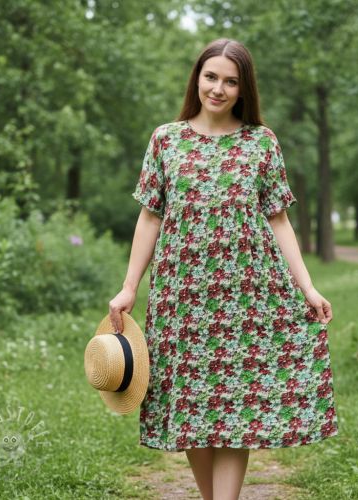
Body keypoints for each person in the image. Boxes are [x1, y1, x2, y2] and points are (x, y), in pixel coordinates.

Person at [109, 38, 338, 500]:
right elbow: (150, 216)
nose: (218, 88)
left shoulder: (261, 142)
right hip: (182, 296)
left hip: (248, 295)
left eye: (230, 81)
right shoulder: (166, 139)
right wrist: (129, 286)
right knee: (192, 404)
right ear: (197, 78)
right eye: (211, 76)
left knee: (237, 405)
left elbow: (278, 219)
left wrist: (308, 287)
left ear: (243, 88)